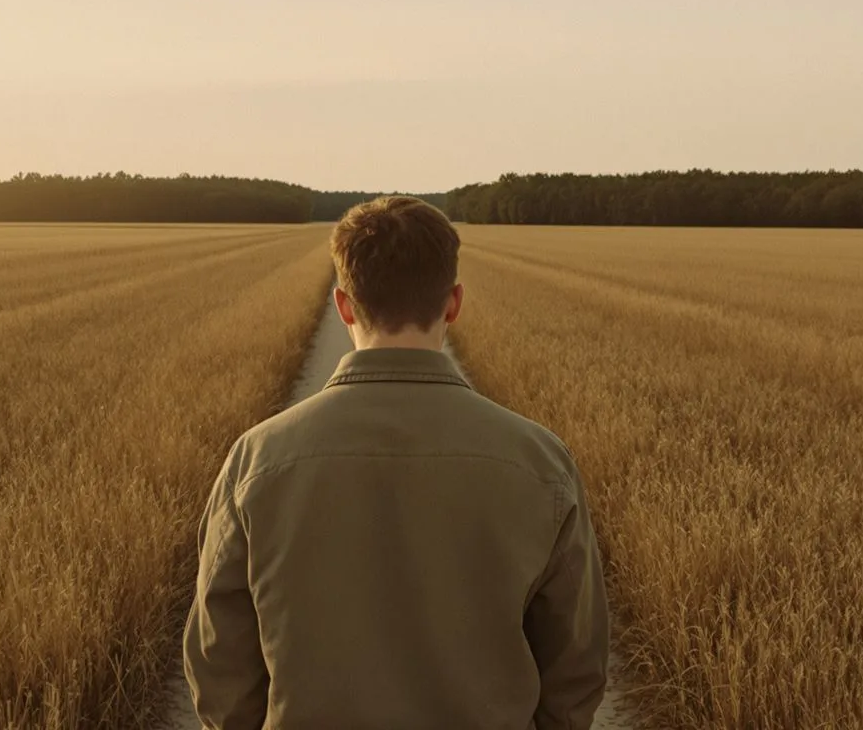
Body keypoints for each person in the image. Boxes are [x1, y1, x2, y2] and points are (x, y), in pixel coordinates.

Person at [183, 196, 609, 729]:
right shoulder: (541, 463)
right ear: (453, 303)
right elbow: (577, 667)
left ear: (343, 306)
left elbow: (218, 665)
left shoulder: (256, 460)